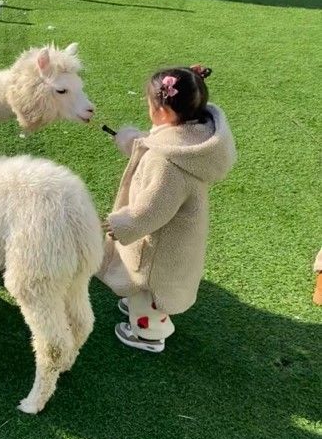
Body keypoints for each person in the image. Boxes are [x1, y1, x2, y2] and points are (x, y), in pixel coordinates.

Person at [97, 65, 236, 353]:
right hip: (176, 238)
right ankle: (141, 304)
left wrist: (120, 223)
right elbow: (156, 145)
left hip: (160, 244)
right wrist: (131, 142)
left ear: (163, 112)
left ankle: (150, 333)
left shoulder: (168, 164)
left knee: (149, 284)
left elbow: (152, 210)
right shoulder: (191, 138)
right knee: (146, 282)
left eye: (150, 105)